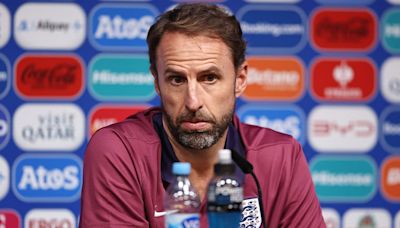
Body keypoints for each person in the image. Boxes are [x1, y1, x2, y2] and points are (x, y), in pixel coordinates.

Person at [79, 3, 326, 228]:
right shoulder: (119, 152)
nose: (193, 102)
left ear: (240, 80)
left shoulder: (281, 156)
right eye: (176, 80)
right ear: (157, 82)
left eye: (209, 78)